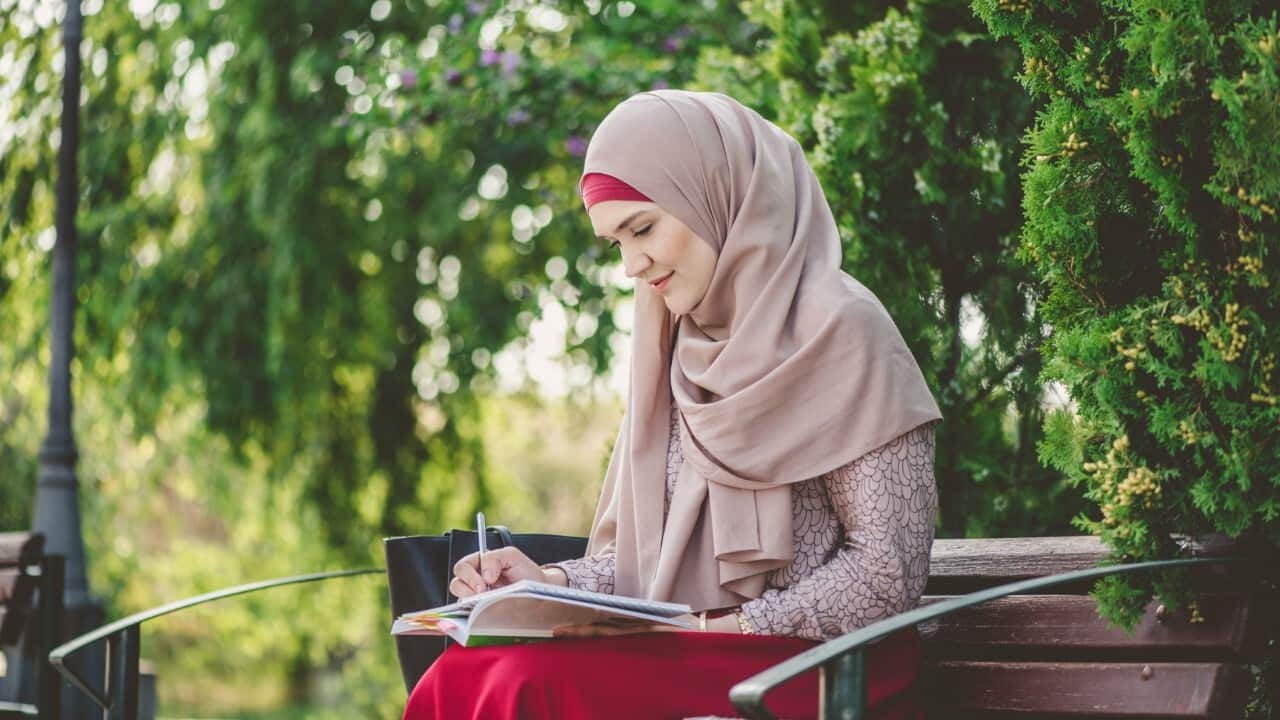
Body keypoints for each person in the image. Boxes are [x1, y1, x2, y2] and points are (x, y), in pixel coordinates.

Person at [402, 89, 942, 720]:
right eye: (616, 243)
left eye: (644, 228)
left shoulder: (845, 333)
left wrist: (715, 629)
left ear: (716, 196)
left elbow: (885, 575)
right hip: (694, 650)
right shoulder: (676, 346)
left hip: (818, 665)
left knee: (525, 681)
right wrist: (546, 584)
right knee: (467, 668)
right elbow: (651, 568)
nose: (633, 265)